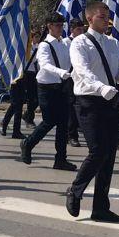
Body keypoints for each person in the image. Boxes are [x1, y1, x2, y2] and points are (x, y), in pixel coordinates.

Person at [66, 2, 119, 222]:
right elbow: (82, 71)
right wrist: (102, 87)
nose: (106, 20)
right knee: (98, 150)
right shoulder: (79, 43)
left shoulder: (113, 44)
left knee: (109, 155)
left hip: (110, 102)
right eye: (102, 17)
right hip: (89, 102)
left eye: (108, 16)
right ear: (90, 19)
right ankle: (75, 189)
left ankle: (100, 207)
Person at [19, 13, 77, 170]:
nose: (60, 28)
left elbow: (73, 62)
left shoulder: (64, 44)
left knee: (63, 124)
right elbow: (44, 65)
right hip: (47, 87)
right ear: (49, 26)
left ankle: (60, 159)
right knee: (49, 120)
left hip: (62, 87)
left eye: (61, 25)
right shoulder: (44, 45)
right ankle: (28, 143)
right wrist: (60, 72)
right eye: (57, 25)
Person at [66, 20, 85, 146]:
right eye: (78, 29)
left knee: (81, 106)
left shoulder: (83, 42)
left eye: (82, 29)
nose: (81, 32)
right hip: (69, 77)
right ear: (72, 30)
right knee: (72, 108)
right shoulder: (66, 43)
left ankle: (79, 129)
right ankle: (72, 135)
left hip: (81, 78)